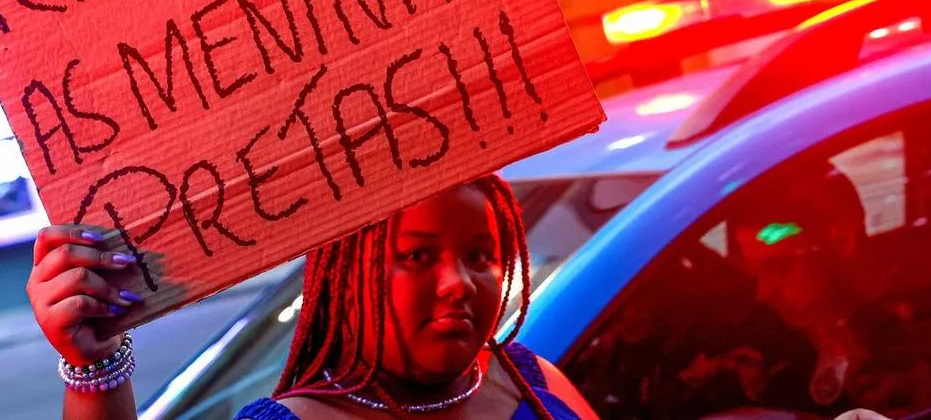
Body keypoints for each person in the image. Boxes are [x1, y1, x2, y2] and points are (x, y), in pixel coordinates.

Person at [29, 175, 597, 419]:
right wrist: (95, 367)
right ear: (346, 275)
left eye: (480, 255)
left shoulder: (533, 380)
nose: (459, 283)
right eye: (418, 256)